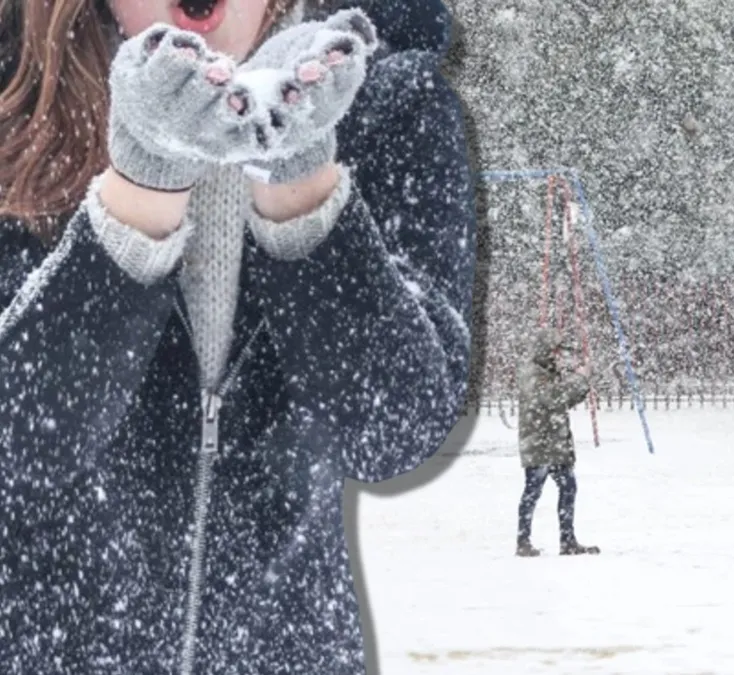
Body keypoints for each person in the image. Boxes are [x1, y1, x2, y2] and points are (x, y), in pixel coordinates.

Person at [0, 1, 474, 672]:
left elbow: (391, 430)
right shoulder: (13, 90)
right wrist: (142, 187)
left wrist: (302, 179)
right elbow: (19, 448)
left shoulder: (389, 102)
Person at [515, 327, 601, 557]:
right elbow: (555, 398)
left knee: (568, 487)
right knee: (533, 490)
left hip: (554, 443)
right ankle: (523, 541)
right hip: (540, 443)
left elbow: (565, 398)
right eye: (554, 351)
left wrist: (581, 380)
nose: (558, 356)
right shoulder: (533, 374)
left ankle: (567, 540)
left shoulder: (547, 372)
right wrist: (580, 378)